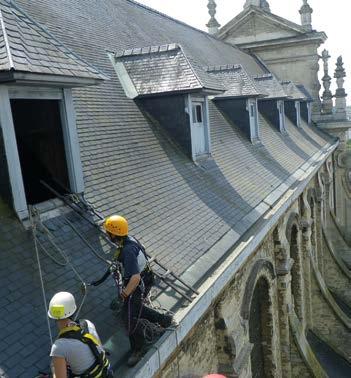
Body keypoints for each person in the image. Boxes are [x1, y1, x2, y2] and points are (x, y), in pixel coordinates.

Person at [90, 215, 173, 367]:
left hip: (138, 282)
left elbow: (134, 278)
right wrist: (100, 280)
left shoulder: (128, 250)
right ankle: (163, 320)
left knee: (128, 317)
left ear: (114, 234)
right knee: (133, 308)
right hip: (144, 278)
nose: (107, 234)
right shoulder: (128, 240)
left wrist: (123, 296)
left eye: (108, 232)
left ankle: (138, 349)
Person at [48, 291, 113, 378]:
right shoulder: (87, 323)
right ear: (73, 310)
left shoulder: (58, 347)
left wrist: (53, 368)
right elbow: (98, 348)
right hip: (105, 373)